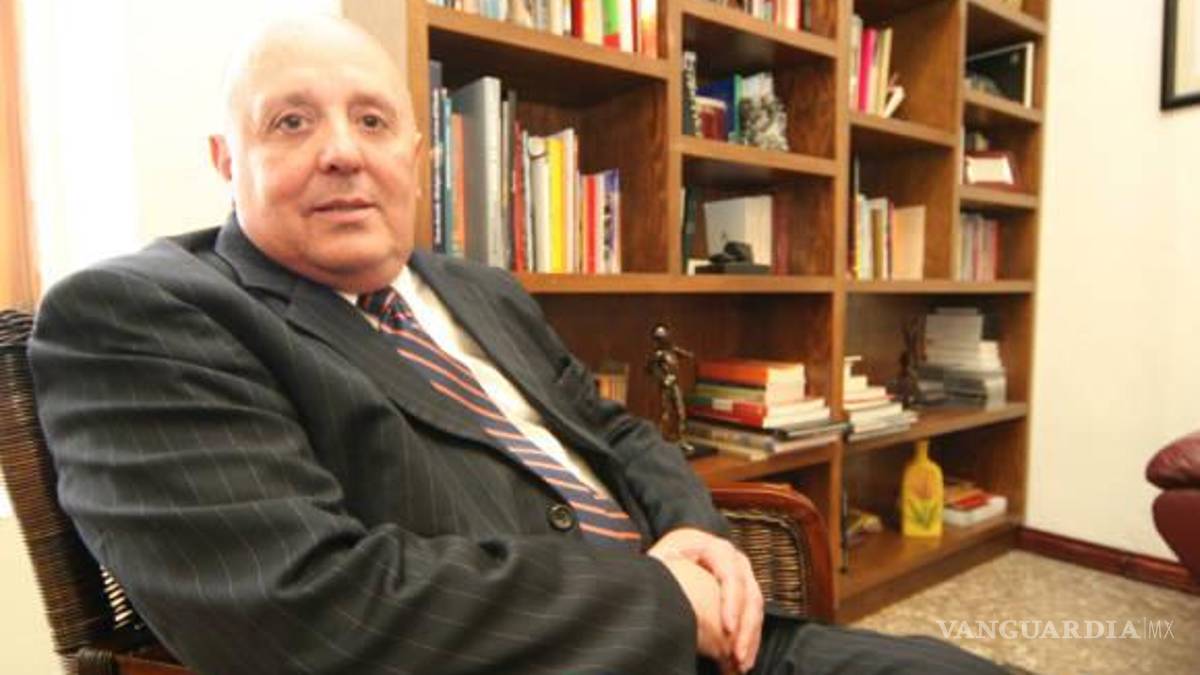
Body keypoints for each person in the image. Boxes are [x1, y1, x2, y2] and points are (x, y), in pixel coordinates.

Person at [28, 16, 1006, 675]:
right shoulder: (141, 316)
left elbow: (615, 434)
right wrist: (657, 598)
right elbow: (303, 611)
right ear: (225, 160)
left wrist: (691, 533)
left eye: (372, 120)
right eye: (291, 122)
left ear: (414, 157)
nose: (342, 151)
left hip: (713, 644)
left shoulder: (475, 289)